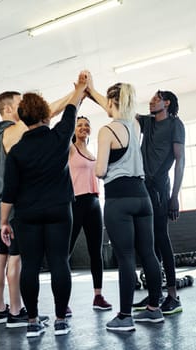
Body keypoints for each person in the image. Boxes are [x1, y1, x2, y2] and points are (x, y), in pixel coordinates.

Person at [0, 72, 87, 338]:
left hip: (27, 214)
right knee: (60, 262)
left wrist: (4, 222)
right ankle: (61, 320)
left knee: (30, 266)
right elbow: (72, 111)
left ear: (23, 119)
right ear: (46, 116)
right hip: (60, 209)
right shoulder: (60, 136)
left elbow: (9, 192)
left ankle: (33, 321)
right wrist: (80, 89)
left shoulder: (16, 151)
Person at [0, 90, 73, 328]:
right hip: (37, 208)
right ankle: (34, 315)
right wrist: (78, 92)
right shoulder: (22, 132)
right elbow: (59, 112)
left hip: (11, 208)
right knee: (36, 261)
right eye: (19, 103)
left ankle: (12, 314)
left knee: (12, 261)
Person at [91, 80, 164, 332]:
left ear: (112, 102)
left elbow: (100, 170)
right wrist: (91, 91)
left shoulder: (106, 131)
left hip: (118, 199)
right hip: (143, 197)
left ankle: (124, 316)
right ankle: (154, 309)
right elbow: (120, 111)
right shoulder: (135, 125)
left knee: (125, 258)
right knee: (149, 254)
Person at [132, 90, 185, 315]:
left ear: (167, 102)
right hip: (142, 187)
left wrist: (174, 196)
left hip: (161, 189)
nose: (151, 101)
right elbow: (122, 111)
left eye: (156, 98)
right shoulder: (148, 122)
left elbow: (180, 161)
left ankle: (173, 296)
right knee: (147, 241)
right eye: (152, 98)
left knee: (161, 239)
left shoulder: (175, 124)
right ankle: (155, 293)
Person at [68, 116, 112, 311]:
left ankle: (98, 295)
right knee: (65, 252)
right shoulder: (70, 149)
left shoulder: (93, 154)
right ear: (74, 129)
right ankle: (63, 301)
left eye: (87, 125)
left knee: (96, 252)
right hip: (75, 203)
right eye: (79, 125)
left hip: (94, 203)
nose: (84, 128)